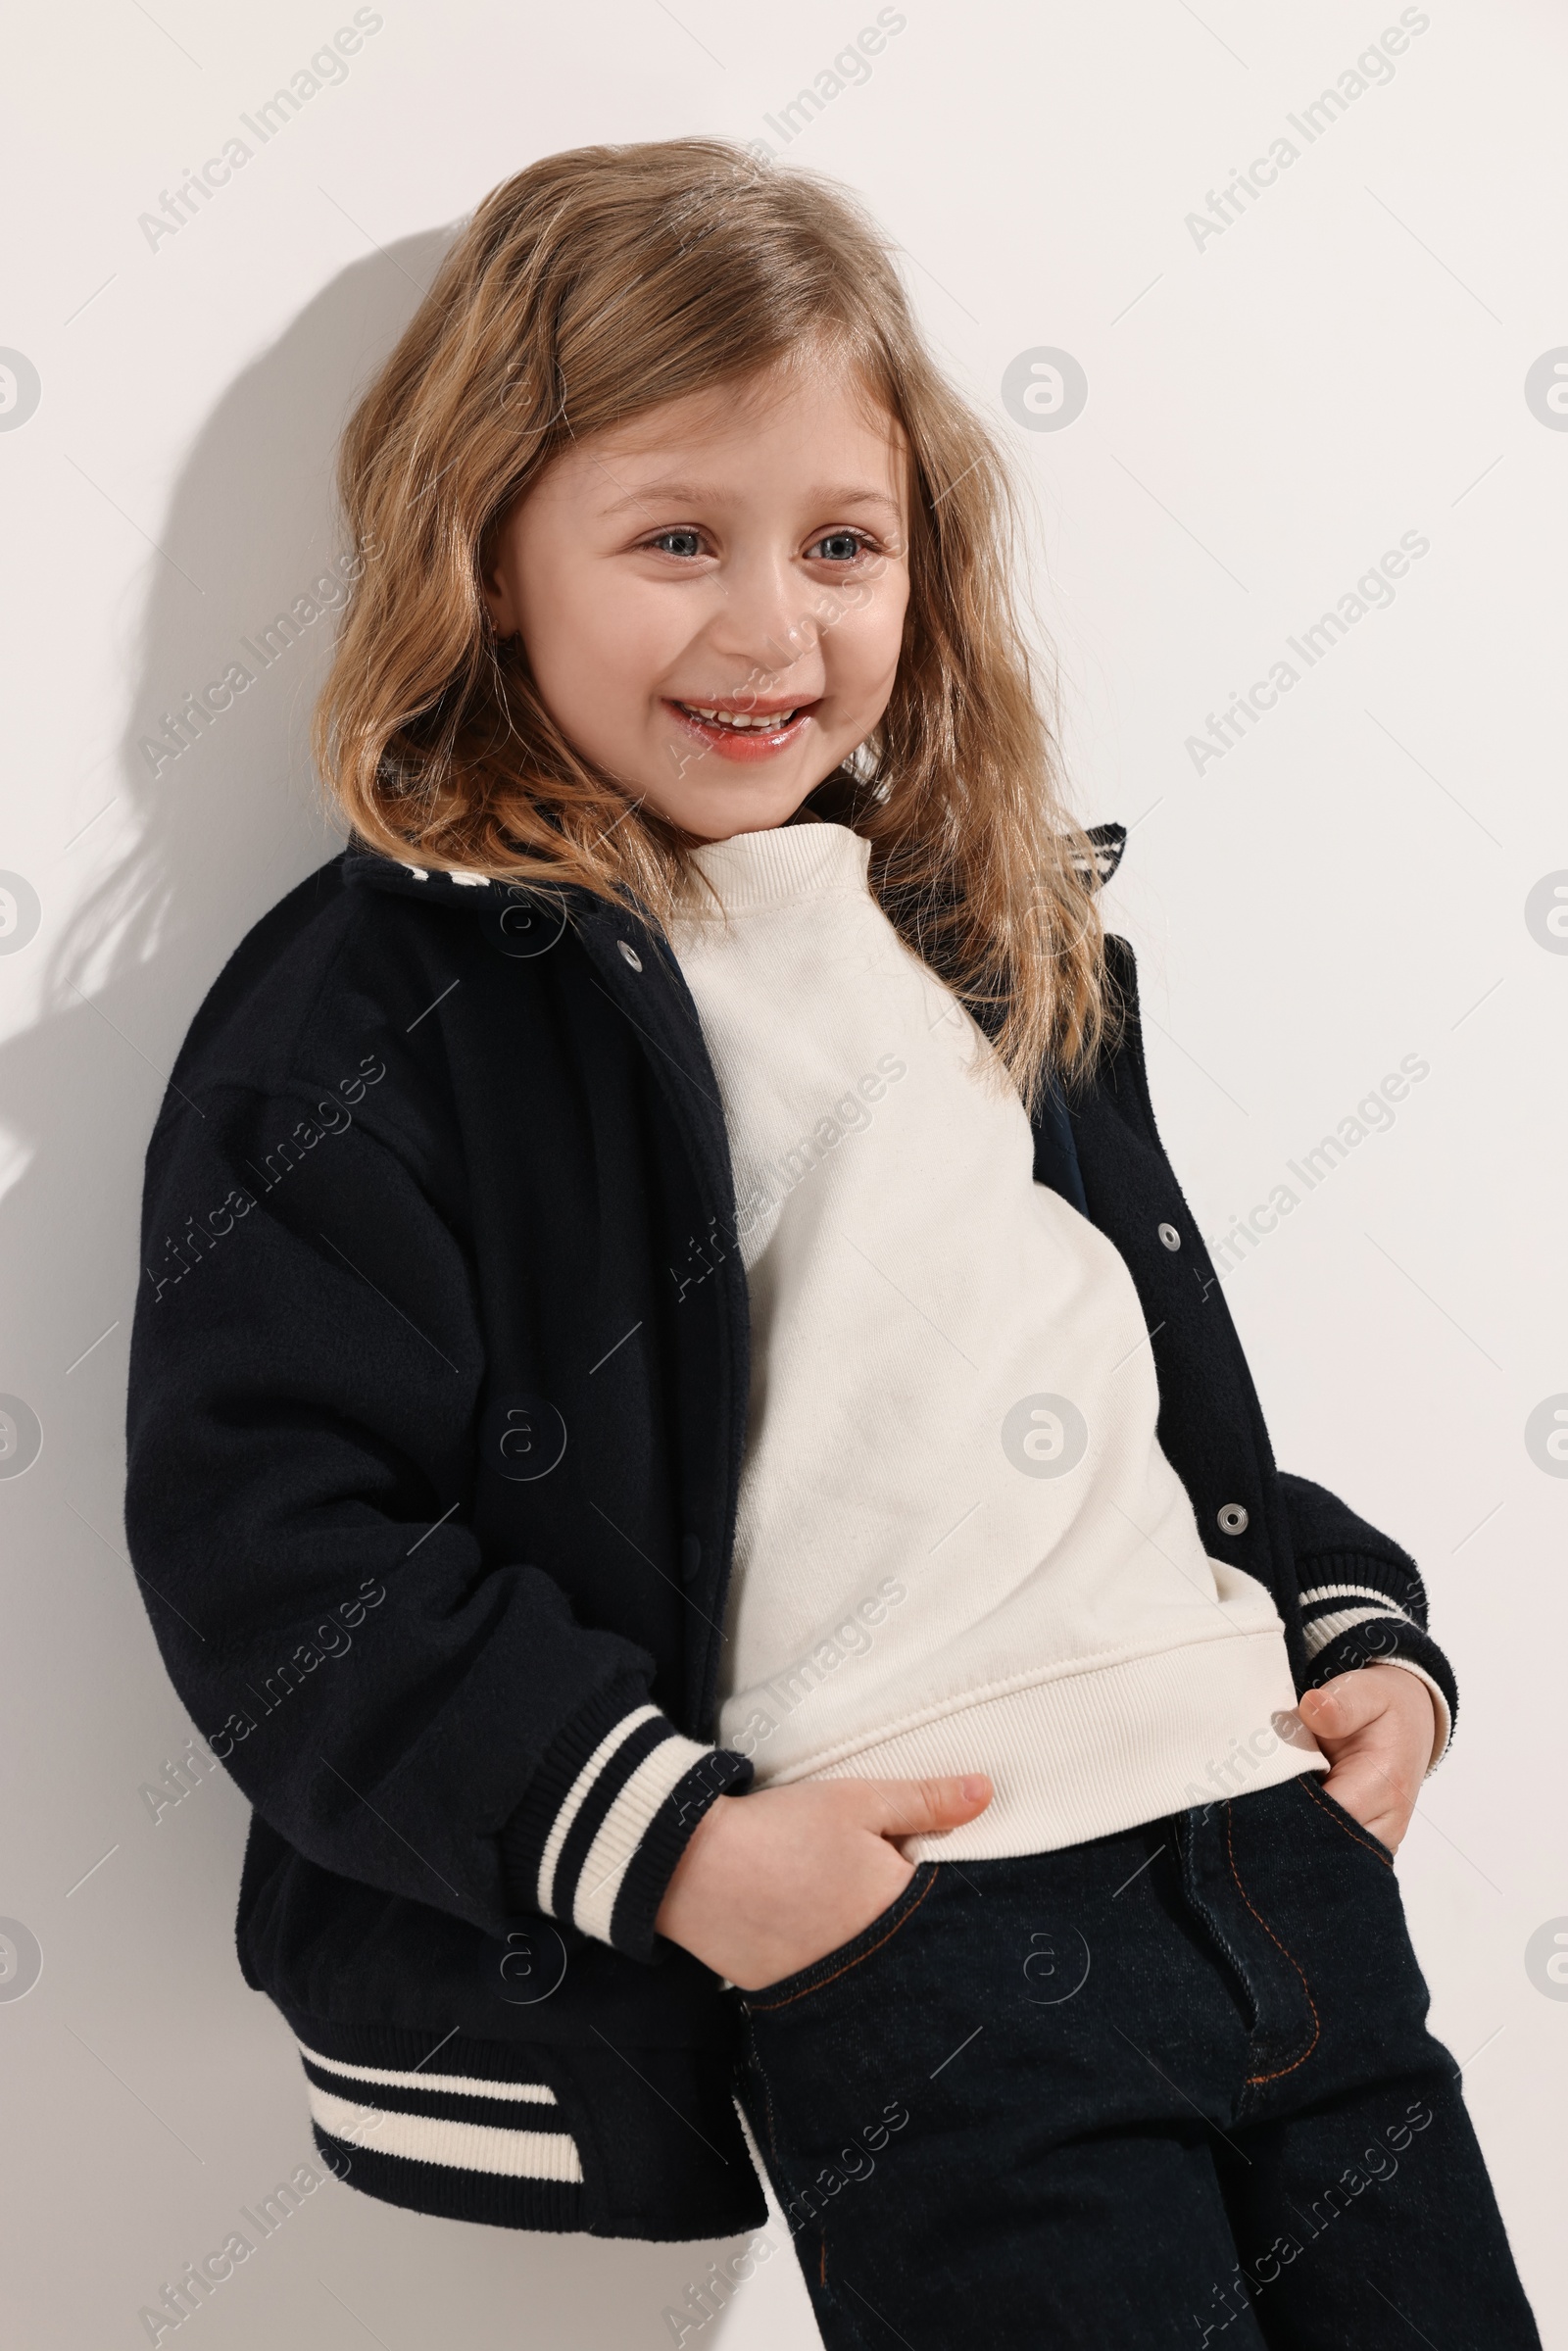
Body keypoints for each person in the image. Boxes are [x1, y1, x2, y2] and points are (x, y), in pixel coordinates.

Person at [124, 138, 1540, 2346]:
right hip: (938, 1939)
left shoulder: (981, 929)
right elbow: (277, 1549)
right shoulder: (391, 1006)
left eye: (840, 544)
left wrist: (1351, 1627)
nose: (770, 628)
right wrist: (687, 1852)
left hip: (1271, 1861)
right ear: (489, 551)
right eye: (675, 537)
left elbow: (1101, 1395)